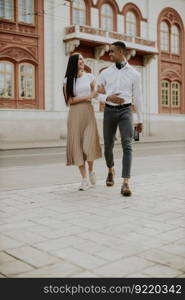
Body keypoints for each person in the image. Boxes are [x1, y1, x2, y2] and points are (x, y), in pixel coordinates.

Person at [97, 41, 143, 196]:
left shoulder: (134, 74)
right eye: (109, 51)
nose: (109, 54)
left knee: (127, 145)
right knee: (108, 145)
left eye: (112, 51)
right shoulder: (104, 73)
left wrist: (140, 119)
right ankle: (110, 169)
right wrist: (106, 97)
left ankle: (125, 183)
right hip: (109, 110)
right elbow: (95, 94)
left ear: (121, 53)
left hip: (126, 111)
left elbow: (138, 98)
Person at [63, 53, 102, 191]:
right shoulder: (67, 80)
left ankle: (91, 170)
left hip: (88, 113)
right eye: (79, 59)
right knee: (77, 146)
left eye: (83, 59)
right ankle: (84, 179)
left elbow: (96, 91)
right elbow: (70, 101)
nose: (82, 61)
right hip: (74, 114)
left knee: (88, 144)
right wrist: (88, 96)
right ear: (74, 62)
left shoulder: (90, 77)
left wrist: (96, 92)